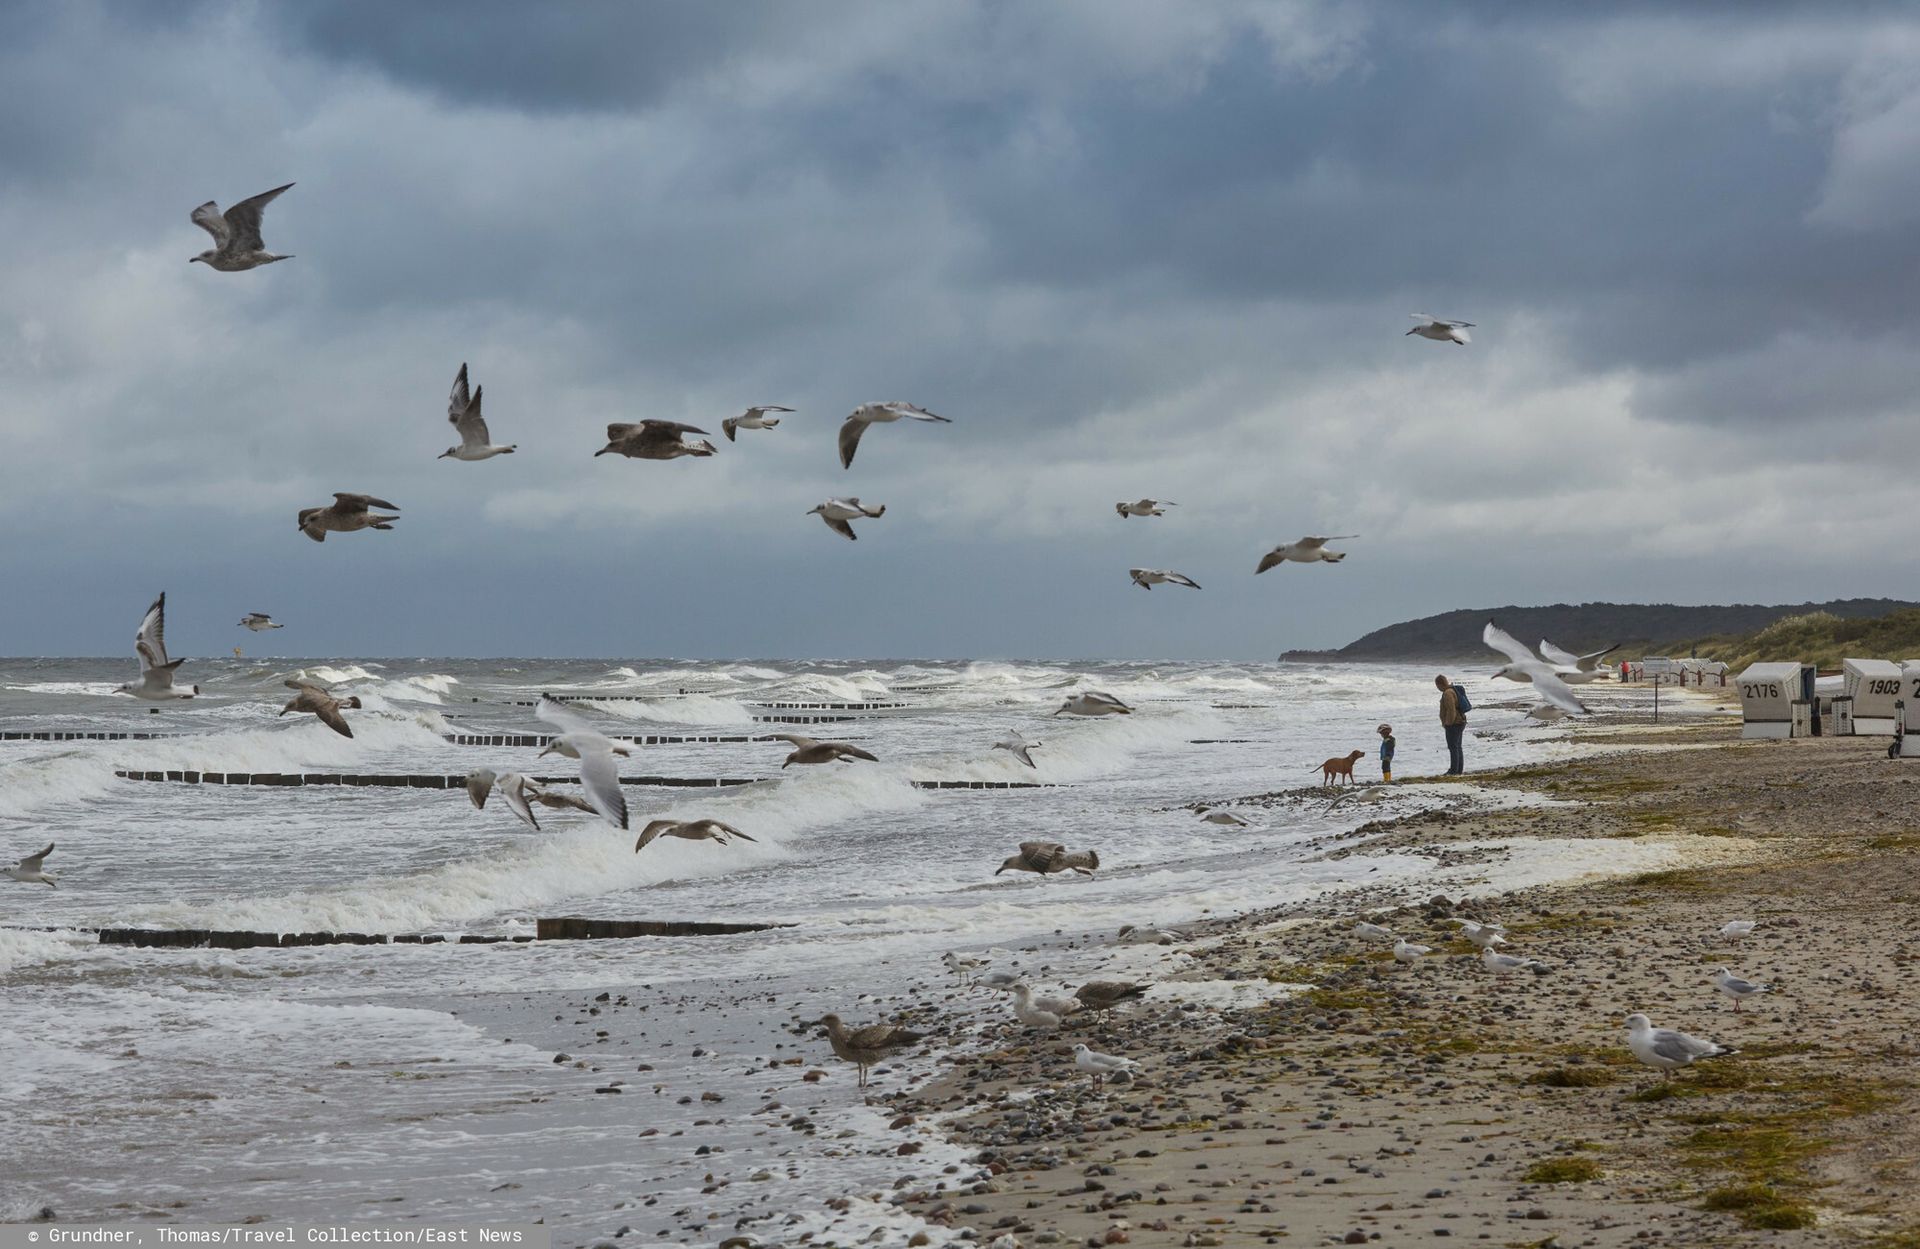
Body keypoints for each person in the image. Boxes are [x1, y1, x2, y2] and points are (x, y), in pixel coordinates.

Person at [1436, 675, 1465, 775]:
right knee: (1457, 747)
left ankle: (1453, 770)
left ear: (1439, 684)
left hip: (1454, 723)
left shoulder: (1448, 693)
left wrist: (1448, 723)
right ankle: (1458, 770)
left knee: (1453, 747)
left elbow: (1451, 710)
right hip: (1460, 721)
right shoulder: (1452, 690)